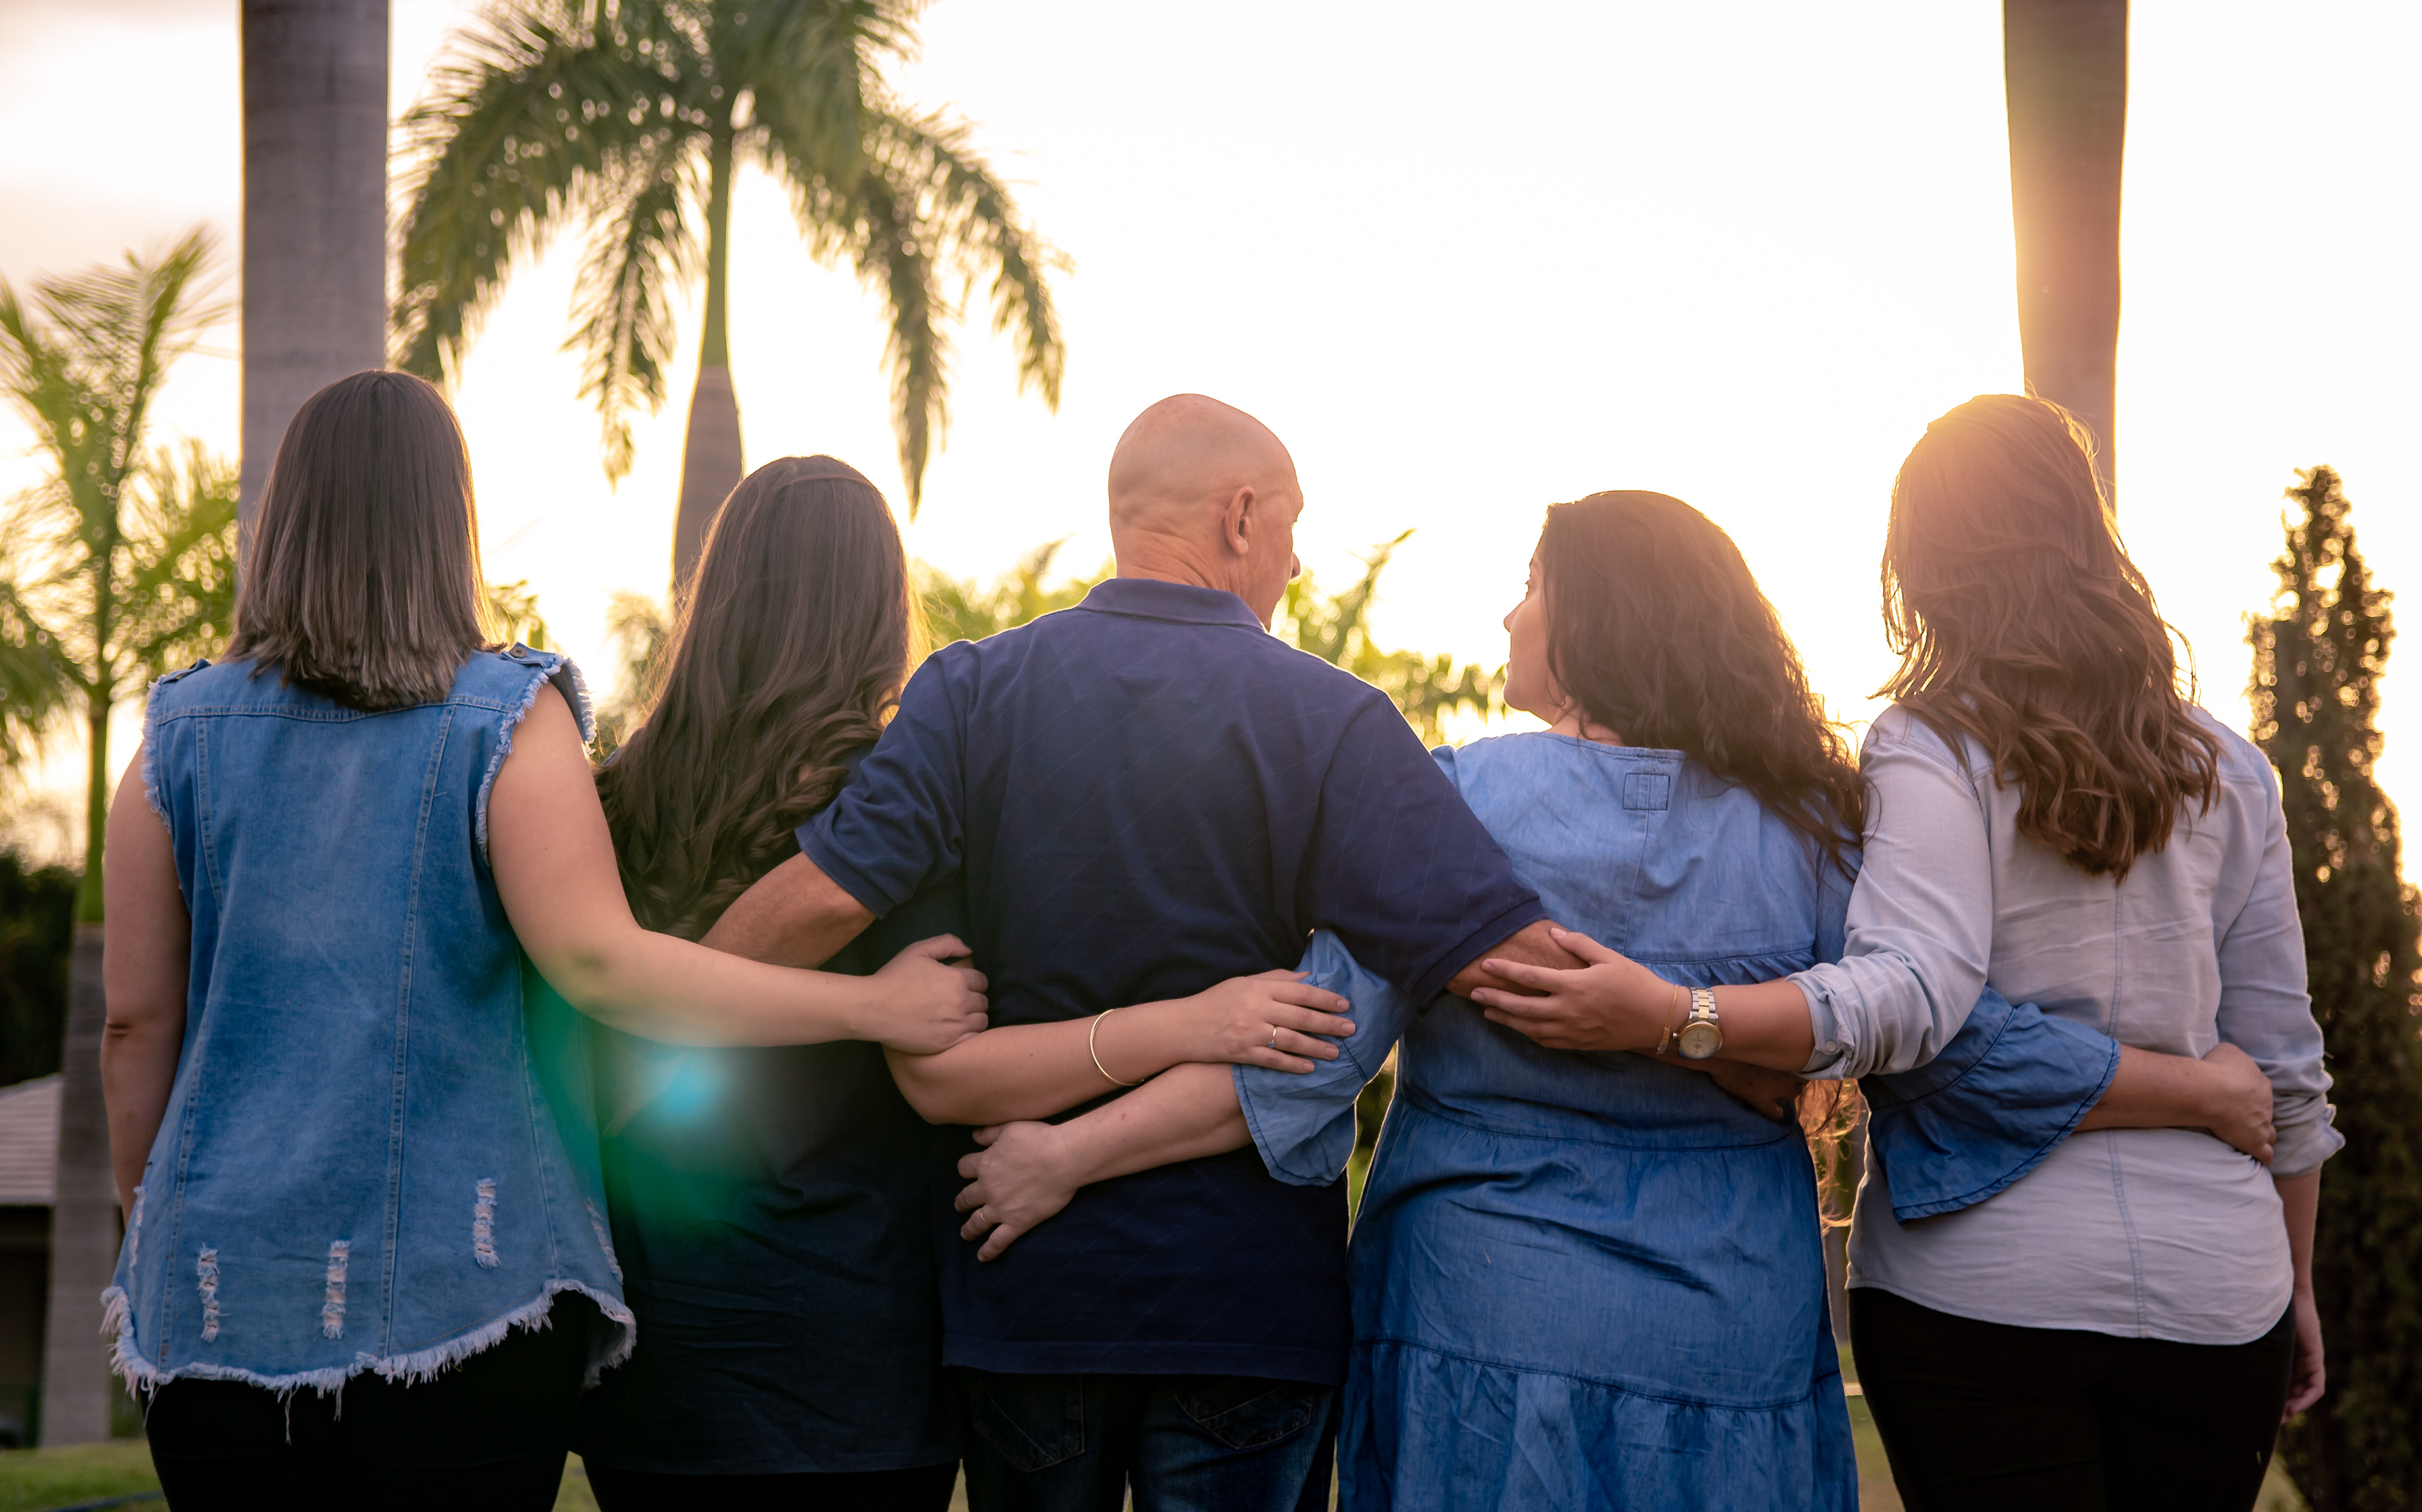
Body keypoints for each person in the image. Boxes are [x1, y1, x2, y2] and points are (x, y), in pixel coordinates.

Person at [952, 489, 2278, 1512]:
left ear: (1589, 620)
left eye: (1530, 587)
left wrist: (1066, 1152)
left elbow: (1308, 1053)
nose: (1510, 616)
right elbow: (1944, 1028)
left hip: (1483, 1317)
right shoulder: (1815, 828)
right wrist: (2194, 1087)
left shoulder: (1457, 794)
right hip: (1734, 1343)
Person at [98, 372, 985, 1512]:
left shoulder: (171, 737)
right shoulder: (507, 719)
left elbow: (134, 1022)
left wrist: (152, 1211)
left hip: (226, 1287)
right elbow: (598, 964)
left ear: (282, 522)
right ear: (448, 520)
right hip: (478, 1292)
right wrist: (870, 1006)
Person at [701, 394, 1582, 1512]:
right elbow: (1504, 961)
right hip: (1244, 1301)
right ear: (1241, 516)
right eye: (1294, 526)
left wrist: (667, 997)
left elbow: (821, 901)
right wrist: (1713, 1027)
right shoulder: (1333, 718)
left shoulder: (972, 690)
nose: (1299, 563)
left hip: (1025, 1285)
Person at [1475, 397, 2338, 1511]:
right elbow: (2285, 1072)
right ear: (2088, 534)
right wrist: (2293, 1275)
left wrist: (1676, 1014)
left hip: (1984, 1293)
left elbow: (1926, 1015)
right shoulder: (2234, 767)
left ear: (1919, 562)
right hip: (2221, 1292)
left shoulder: (1932, 745)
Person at [573, 456, 1357, 1510]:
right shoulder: (907, 804)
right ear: (875, 610)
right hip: (866, 1346)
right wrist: (1188, 1021)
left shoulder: (606, 803)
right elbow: (955, 1068)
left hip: (657, 1342)